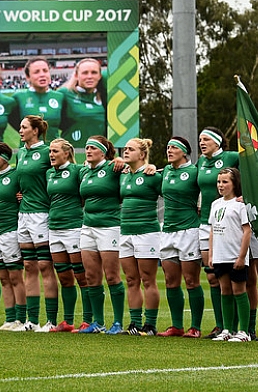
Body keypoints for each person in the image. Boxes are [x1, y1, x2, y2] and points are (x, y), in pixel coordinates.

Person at [78, 136, 126, 334]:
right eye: (87, 147)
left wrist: (122, 161)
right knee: (91, 276)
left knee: (112, 276)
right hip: (87, 227)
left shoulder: (114, 168)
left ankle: (117, 322)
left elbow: (137, 167)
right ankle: (97, 322)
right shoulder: (84, 171)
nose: (88, 151)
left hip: (109, 227)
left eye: (92, 148)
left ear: (103, 152)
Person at [157, 137, 203, 338]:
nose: (169, 150)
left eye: (174, 147)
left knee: (191, 280)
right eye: (167, 147)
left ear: (184, 152)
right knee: (170, 280)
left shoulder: (195, 172)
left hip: (189, 230)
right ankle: (177, 325)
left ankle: (195, 327)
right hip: (168, 231)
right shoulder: (165, 171)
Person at [196, 127, 239, 339]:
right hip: (206, 223)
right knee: (213, 277)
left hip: (231, 222)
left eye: (205, 139)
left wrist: (245, 196)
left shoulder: (231, 156)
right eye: (200, 140)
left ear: (217, 142)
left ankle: (240, 327)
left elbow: (252, 173)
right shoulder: (200, 162)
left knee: (236, 278)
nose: (202, 143)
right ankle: (221, 326)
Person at [15, 115, 57, 332]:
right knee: (29, 266)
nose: (20, 130)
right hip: (23, 215)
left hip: (42, 214)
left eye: (24, 127)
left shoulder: (47, 152)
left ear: (36, 131)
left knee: (44, 266)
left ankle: (51, 321)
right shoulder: (21, 152)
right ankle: (32, 320)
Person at [119, 138, 162, 336]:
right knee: (130, 279)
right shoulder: (123, 174)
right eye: (125, 149)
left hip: (147, 232)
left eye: (131, 149)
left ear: (142, 154)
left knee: (148, 280)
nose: (126, 152)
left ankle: (150, 325)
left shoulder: (152, 175)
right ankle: (135, 323)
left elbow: (171, 193)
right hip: (125, 232)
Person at [46, 138, 88, 333]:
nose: (51, 155)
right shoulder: (49, 173)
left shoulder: (77, 170)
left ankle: (88, 320)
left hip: (73, 228)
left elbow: (85, 194)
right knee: (64, 277)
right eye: (50, 152)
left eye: (55, 151)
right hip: (54, 228)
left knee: (82, 276)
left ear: (66, 153)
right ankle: (68, 321)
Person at [208, 167, 252, 342]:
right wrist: (211, 254)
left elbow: (247, 231)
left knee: (239, 290)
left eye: (225, 181)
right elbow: (212, 231)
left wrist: (241, 256)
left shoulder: (240, 205)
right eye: (219, 181)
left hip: (235, 255)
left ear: (234, 184)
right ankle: (227, 329)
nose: (221, 185)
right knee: (225, 291)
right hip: (220, 255)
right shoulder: (215, 204)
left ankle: (244, 331)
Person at [0, 142, 26, 330]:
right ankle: (9, 319)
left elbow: (30, 193)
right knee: (3, 278)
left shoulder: (16, 175)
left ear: (6, 159)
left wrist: (22, 198)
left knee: (15, 277)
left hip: (10, 231)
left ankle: (21, 319)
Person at [58, 58, 106, 148]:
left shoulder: (104, 97)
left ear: (100, 76)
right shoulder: (64, 94)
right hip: (72, 154)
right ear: (76, 75)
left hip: (98, 155)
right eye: (85, 73)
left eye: (94, 72)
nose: (89, 76)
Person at [13, 57, 64, 138]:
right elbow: (14, 122)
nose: (42, 74)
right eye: (36, 72)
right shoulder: (18, 97)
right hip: (28, 149)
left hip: (53, 149)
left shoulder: (60, 96)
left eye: (45, 71)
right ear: (28, 77)